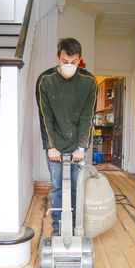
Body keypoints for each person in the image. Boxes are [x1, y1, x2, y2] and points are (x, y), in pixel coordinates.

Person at [36, 38, 97, 236]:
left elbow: (87, 117)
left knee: (76, 188)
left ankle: (75, 227)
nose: (69, 65)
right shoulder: (45, 80)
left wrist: (81, 148)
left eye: (74, 62)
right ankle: (57, 228)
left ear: (80, 60)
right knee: (56, 187)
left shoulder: (89, 82)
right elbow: (46, 117)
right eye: (64, 61)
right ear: (58, 58)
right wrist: (50, 146)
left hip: (77, 144)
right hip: (55, 144)